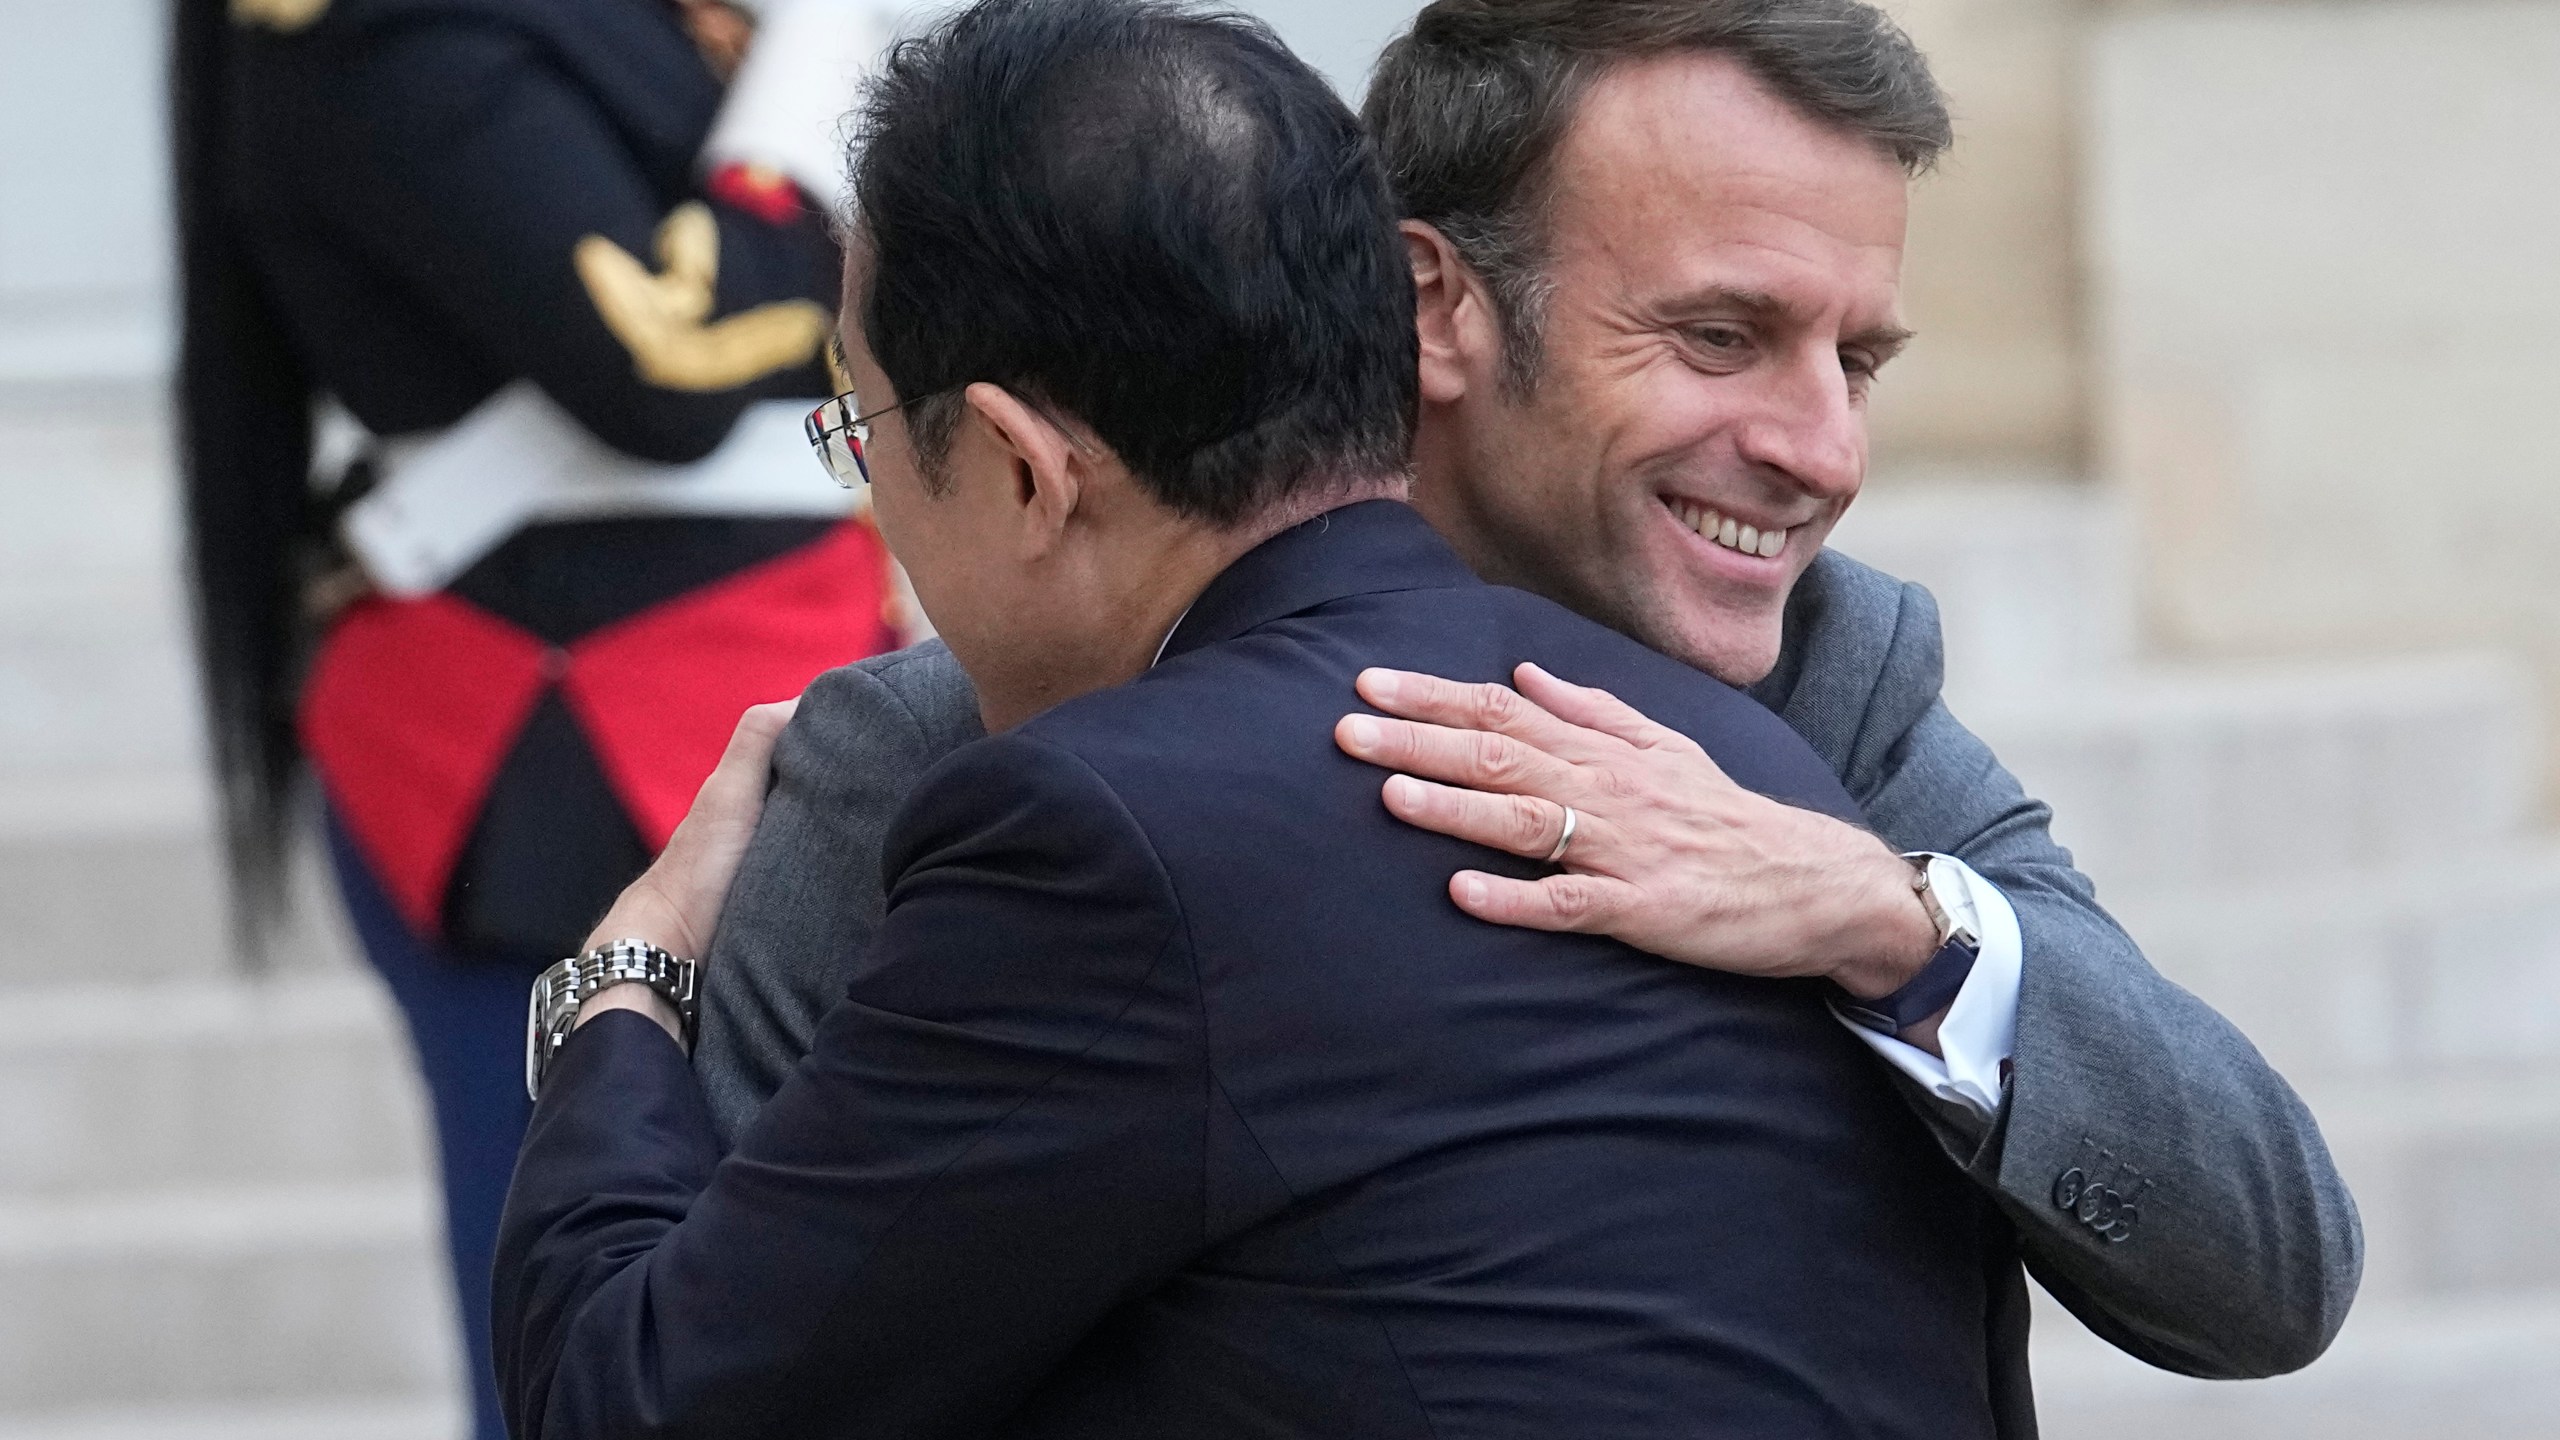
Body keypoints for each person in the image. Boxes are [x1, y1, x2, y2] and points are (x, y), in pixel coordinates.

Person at [690, 0, 2362, 1413]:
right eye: (1722, 336)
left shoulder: (1837, 708)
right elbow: (712, 1351)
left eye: (1856, 364)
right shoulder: (946, 752)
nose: (1824, 452)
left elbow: (2269, 1273)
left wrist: (1890, 920)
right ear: (1436, 307)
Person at [170, 0, 896, 1434]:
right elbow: (662, 365)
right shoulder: (371, 34)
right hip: (560, 746)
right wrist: (798, 131)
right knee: (585, 1342)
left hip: (795, 673)